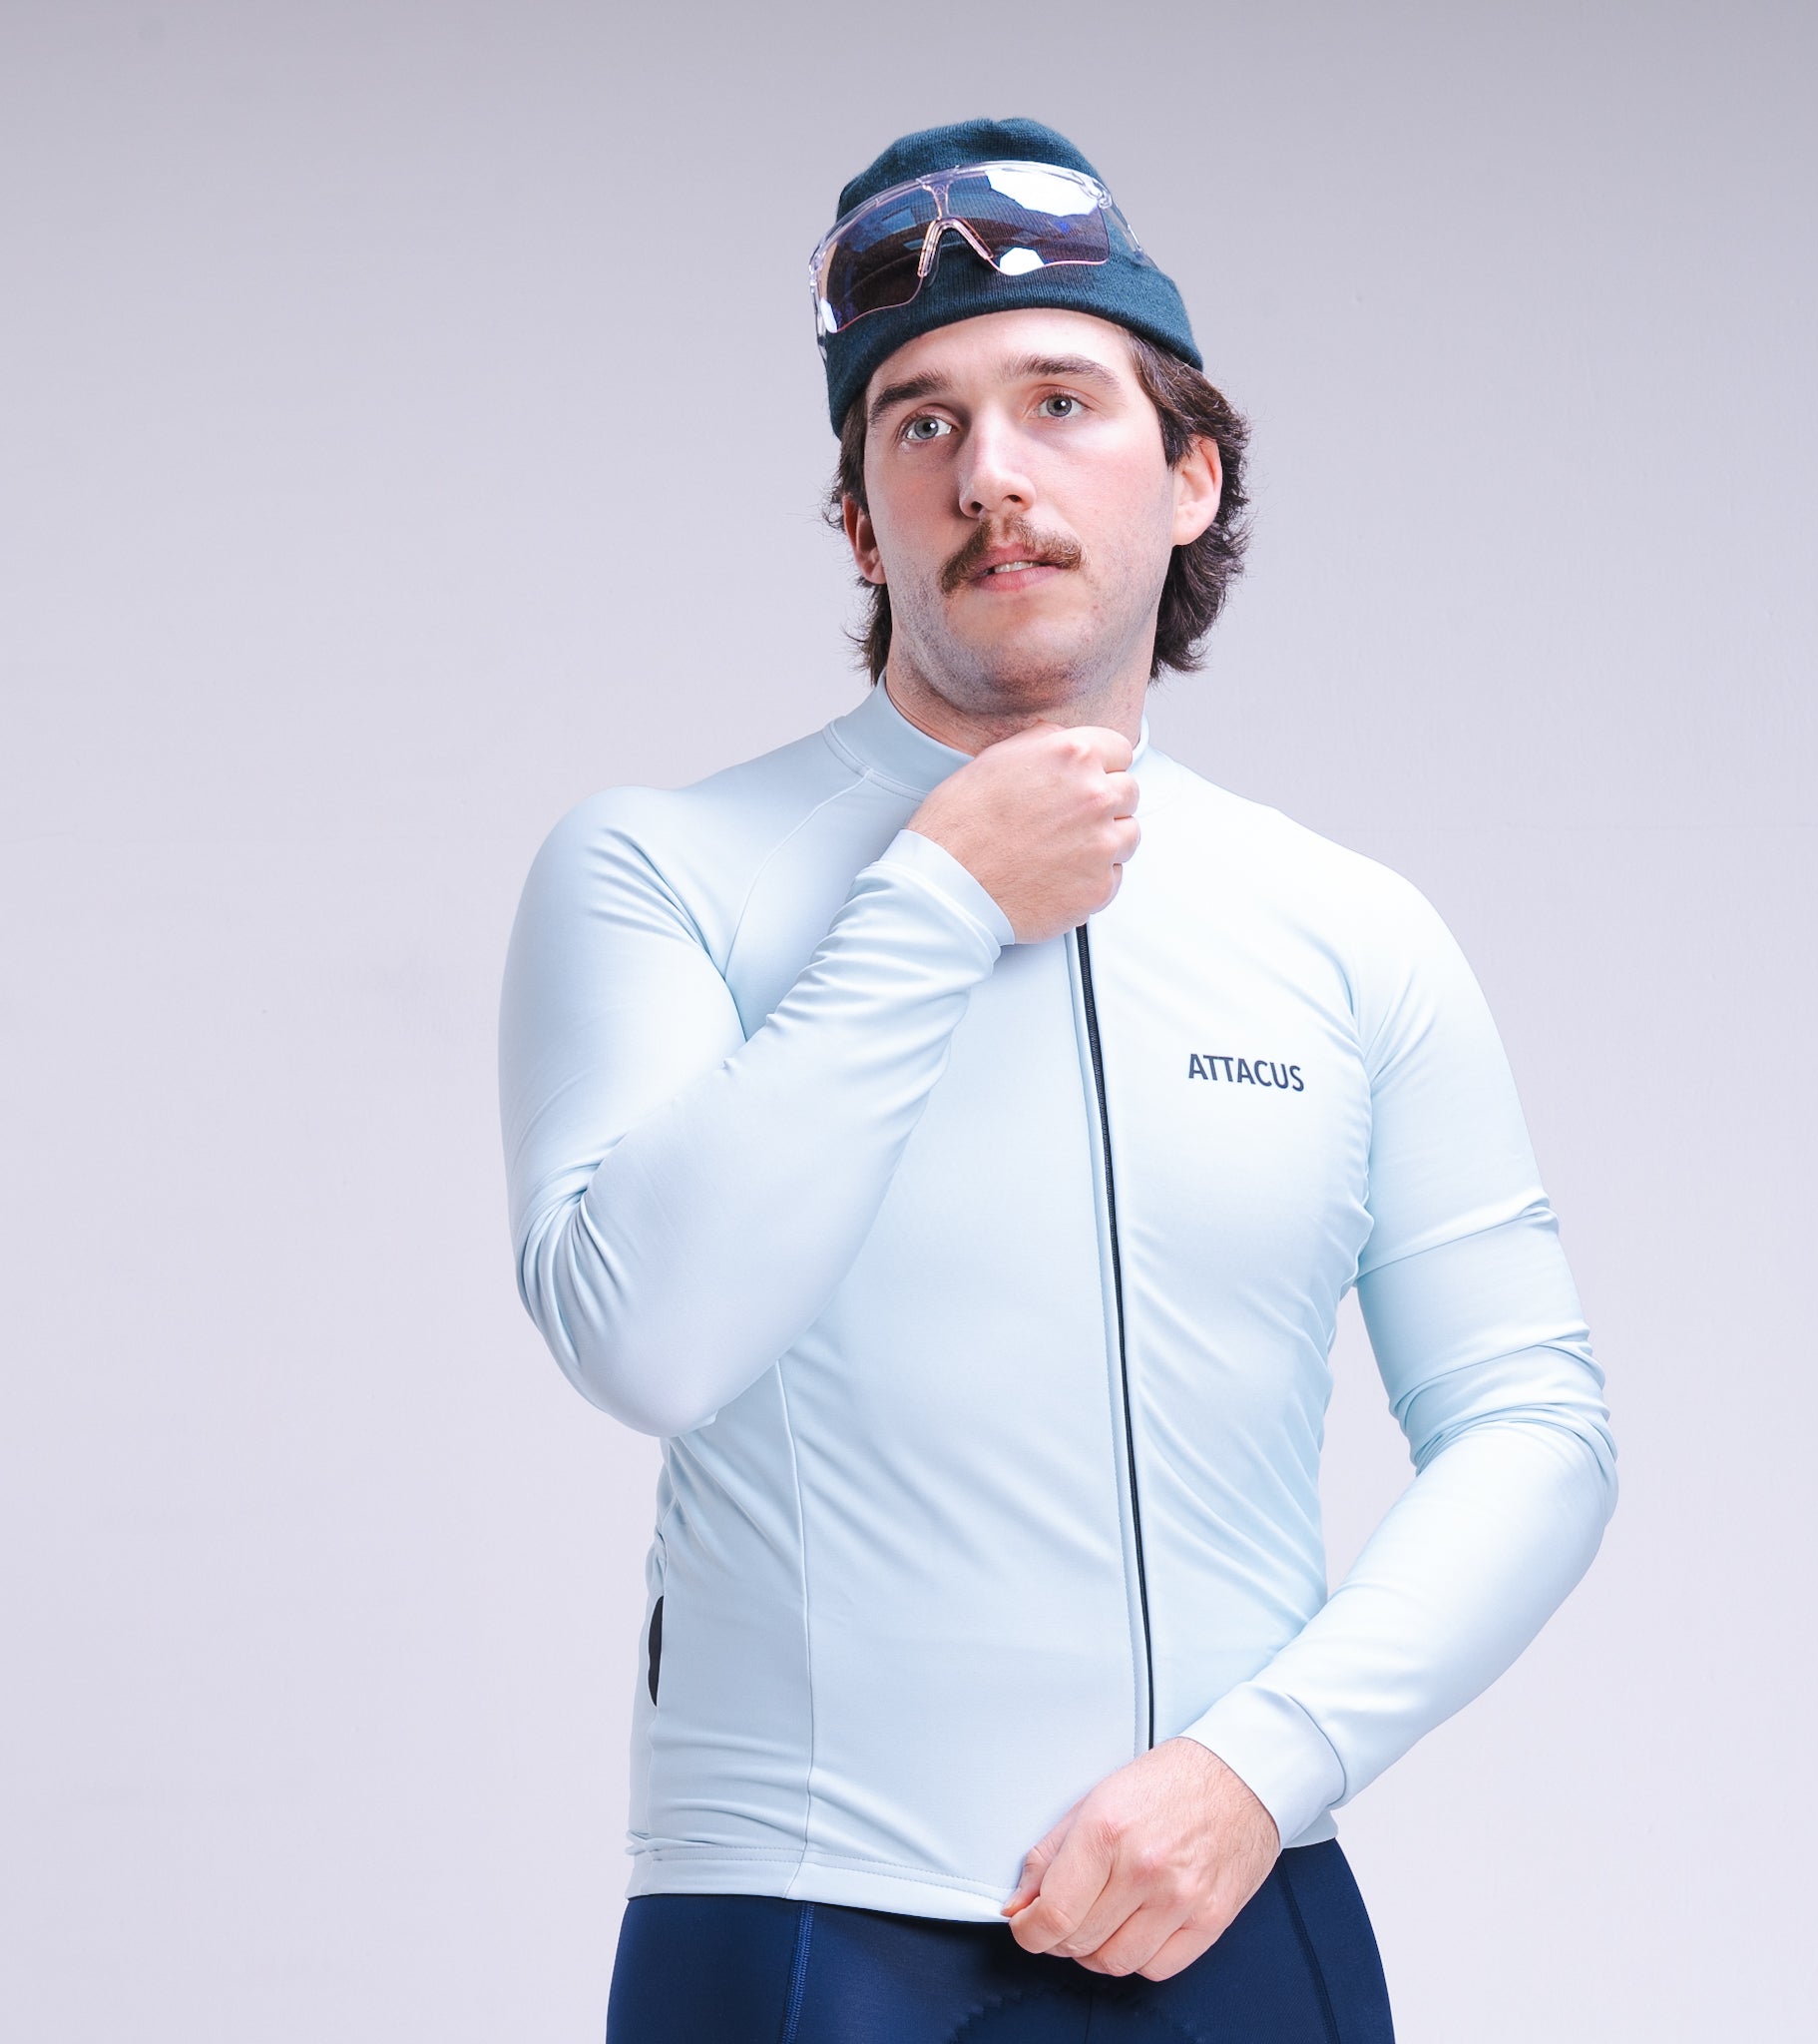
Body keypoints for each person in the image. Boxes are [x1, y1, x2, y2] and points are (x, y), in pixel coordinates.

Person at [498, 116, 1617, 2043]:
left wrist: (1262, 1767)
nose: (991, 474)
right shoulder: (662, 872)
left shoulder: (1349, 927)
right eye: (920, 424)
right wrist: (938, 897)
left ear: (1190, 475)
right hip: (799, 1927)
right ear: (865, 525)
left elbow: (1536, 1424)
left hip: (1237, 1907)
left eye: (1059, 404)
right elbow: (647, 1339)